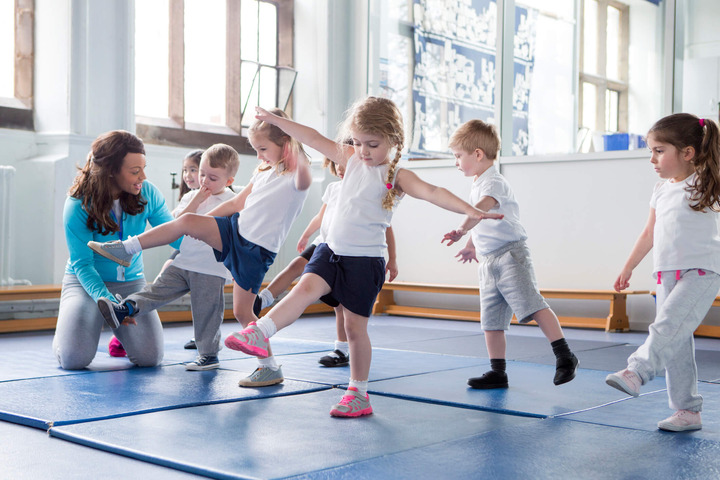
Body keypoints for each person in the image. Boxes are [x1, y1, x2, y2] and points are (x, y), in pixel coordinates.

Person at [224, 97, 503, 417]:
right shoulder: (351, 158)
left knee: (355, 330)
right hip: (331, 251)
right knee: (302, 289)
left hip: (365, 261)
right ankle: (260, 333)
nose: (363, 150)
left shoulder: (396, 176)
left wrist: (471, 211)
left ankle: (358, 393)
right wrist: (278, 124)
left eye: (372, 144)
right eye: (357, 142)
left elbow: (434, 192)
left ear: (393, 141)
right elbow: (312, 137)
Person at [88, 108, 312, 387]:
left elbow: (304, 179)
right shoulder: (264, 170)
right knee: (187, 222)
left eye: (263, 148)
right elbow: (235, 204)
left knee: (243, 313)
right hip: (234, 232)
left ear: (287, 146)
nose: (259, 156)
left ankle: (269, 367)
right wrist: (199, 224)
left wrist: (297, 152)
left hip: (255, 250)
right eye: (256, 149)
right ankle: (125, 248)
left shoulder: (296, 176)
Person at [442, 119, 579, 390]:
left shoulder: (495, 182)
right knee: (491, 321)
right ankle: (498, 372)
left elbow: (479, 210)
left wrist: (460, 228)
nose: (456, 162)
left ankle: (565, 355)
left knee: (532, 304)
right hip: (489, 260)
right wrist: (471, 244)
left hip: (510, 256)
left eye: (458, 156)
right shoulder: (479, 182)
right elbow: (483, 219)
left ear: (478, 154)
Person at [606, 113, 720, 432]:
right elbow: (648, 233)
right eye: (651, 151)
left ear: (687, 152)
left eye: (659, 150)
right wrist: (628, 267)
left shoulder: (707, 182)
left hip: (702, 270)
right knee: (676, 343)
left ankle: (637, 371)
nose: (652, 159)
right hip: (666, 273)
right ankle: (687, 411)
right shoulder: (660, 189)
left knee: (666, 327)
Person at [96, 144, 239, 371]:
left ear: (228, 181)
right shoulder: (191, 197)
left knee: (206, 311)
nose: (204, 181)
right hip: (184, 261)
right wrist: (197, 199)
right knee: (156, 289)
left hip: (210, 267)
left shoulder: (232, 201)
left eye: (212, 178)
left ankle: (209, 355)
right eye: (202, 174)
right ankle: (124, 309)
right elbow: (176, 224)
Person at [52, 130, 180, 370]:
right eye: (135, 171)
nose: (143, 176)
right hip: (85, 282)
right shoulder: (78, 204)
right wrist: (110, 304)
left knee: (150, 358)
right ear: (111, 170)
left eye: (143, 168)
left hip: (131, 284)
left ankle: (119, 334)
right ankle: (71, 330)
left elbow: (173, 234)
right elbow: (82, 264)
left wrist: (212, 248)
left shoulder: (148, 192)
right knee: (74, 359)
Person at [252, 159, 398, 367]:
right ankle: (263, 299)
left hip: (350, 253)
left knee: (341, 305)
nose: (339, 167)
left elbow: (387, 228)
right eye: (336, 162)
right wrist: (305, 235)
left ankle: (341, 349)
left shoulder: (369, 193)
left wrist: (393, 259)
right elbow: (321, 216)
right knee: (295, 266)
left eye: (345, 163)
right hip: (324, 244)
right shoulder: (333, 188)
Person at [108, 148, 205, 357]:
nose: (188, 175)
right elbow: (174, 226)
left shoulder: (221, 197)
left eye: (194, 170)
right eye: (185, 170)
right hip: (185, 248)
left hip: (204, 253)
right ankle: (124, 330)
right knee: (164, 276)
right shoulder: (188, 198)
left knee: (204, 291)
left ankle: (203, 336)